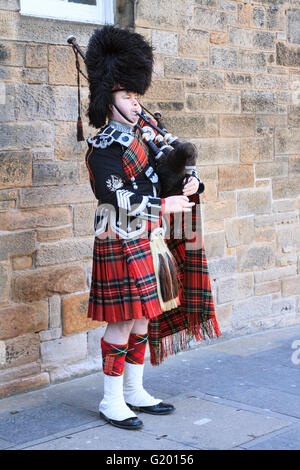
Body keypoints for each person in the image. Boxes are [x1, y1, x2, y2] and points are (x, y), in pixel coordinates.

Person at [84, 26, 220, 431]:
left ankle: (135, 391)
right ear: (108, 98)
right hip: (118, 235)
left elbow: (169, 171)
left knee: (144, 316)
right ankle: (111, 401)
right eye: (127, 96)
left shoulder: (145, 136)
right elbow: (114, 199)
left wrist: (189, 182)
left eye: (136, 95)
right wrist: (165, 205)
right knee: (123, 319)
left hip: (148, 236)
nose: (135, 102)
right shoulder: (103, 148)